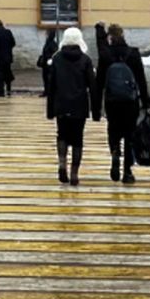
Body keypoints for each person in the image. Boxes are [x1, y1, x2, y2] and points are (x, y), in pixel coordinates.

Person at [93, 23, 149, 185]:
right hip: (131, 101)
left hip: (112, 101)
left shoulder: (106, 55)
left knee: (113, 130)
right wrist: (145, 102)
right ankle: (128, 172)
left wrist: (96, 108)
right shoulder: (133, 54)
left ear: (110, 37)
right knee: (130, 134)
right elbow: (141, 80)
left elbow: (99, 83)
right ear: (123, 35)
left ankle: (115, 153)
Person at [47, 27, 97, 184]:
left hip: (61, 104)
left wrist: (50, 110)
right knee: (77, 139)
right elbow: (93, 86)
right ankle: (74, 173)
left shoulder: (57, 59)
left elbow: (51, 86)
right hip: (79, 106)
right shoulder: (85, 60)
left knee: (61, 135)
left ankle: (62, 164)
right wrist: (96, 111)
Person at [0, 19, 16, 97]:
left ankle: (0, 91)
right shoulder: (8, 32)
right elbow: (13, 43)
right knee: (7, 73)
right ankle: (8, 90)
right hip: (8, 57)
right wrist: (8, 49)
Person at [37, 29, 59, 97]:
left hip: (49, 64)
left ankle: (49, 92)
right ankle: (46, 91)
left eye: (46, 34)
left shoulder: (52, 44)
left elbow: (54, 54)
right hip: (45, 64)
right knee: (45, 78)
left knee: (49, 79)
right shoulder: (48, 42)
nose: (45, 35)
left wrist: (46, 57)